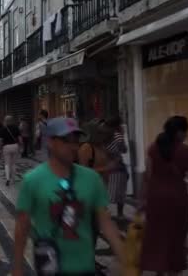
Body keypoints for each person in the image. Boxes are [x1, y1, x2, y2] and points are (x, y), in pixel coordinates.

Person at [12, 117, 125, 276]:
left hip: (84, 268)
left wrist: (124, 258)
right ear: (50, 141)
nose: (73, 146)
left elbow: (105, 222)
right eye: (66, 140)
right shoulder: (33, 180)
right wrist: (17, 269)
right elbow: (22, 227)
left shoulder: (91, 179)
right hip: (51, 268)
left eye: (76, 140)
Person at [139, 116, 188, 275]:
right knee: (176, 238)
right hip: (177, 199)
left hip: (155, 198)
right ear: (180, 132)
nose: (186, 135)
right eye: (185, 131)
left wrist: (143, 199)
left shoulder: (153, 148)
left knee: (157, 237)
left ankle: (159, 270)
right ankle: (174, 272)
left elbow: (147, 175)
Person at [103, 116, 129, 218]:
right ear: (118, 125)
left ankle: (104, 214)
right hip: (117, 167)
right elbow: (124, 150)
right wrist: (122, 135)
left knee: (107, 192)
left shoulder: (104, 136)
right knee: (120, 193)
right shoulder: (118, 136)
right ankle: (120, 214)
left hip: (105, 166)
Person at [0, 115, 23, 186]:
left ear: (6, 121)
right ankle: (14, 179)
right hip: (15, 146)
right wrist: (21, 146)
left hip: (6, 147)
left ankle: (7, 179)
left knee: (7, 164)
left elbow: (0, 140)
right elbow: (20, 139)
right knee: (13, 164)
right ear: (12, 121)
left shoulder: (3, 129)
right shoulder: (16, 128)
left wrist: (0, 148)